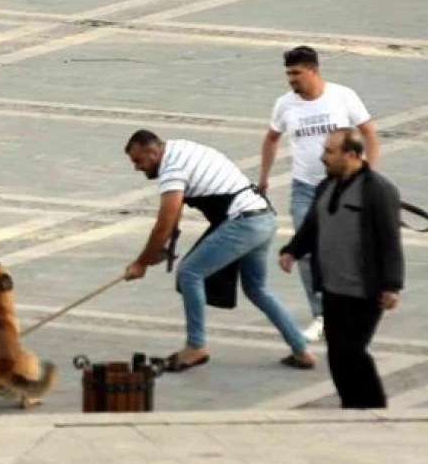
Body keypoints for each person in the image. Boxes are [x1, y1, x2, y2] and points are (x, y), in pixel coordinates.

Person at [122, 129, 316, 372]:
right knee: (257, 289)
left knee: (190, 273)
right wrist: (162, 248)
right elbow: (174, 215)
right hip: (262, 218)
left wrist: (141, 262)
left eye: (139, 161)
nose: (137, 168)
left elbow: (164, 221)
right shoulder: (180, 148)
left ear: (153, 151)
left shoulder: (171, 167)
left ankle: (196, 346)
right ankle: (301, 350)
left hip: (243, 222)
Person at [258, 46, 380, 343]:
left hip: (342, 185)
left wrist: (366, 176)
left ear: (313, 71)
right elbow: (271, 139)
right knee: (306, 251)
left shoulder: (342, 96)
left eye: (296, 73)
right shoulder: (285, 104)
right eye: (288, 73)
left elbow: (369, 133)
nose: (291, 79)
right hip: (304, 188)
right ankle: (321, 313)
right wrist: (263, 179)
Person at [279, 129, 403, 409]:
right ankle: (350, 404)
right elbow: (313, 225)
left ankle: (374, 406)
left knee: (353, 350)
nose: (323, 157)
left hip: (365, 290)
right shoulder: (327, 186)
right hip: (333, 287)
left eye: (329, 152)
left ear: (351, 155)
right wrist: (292, 251)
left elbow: (389, 241)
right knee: (336, 353)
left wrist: (392, 285)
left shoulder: (378, 191)